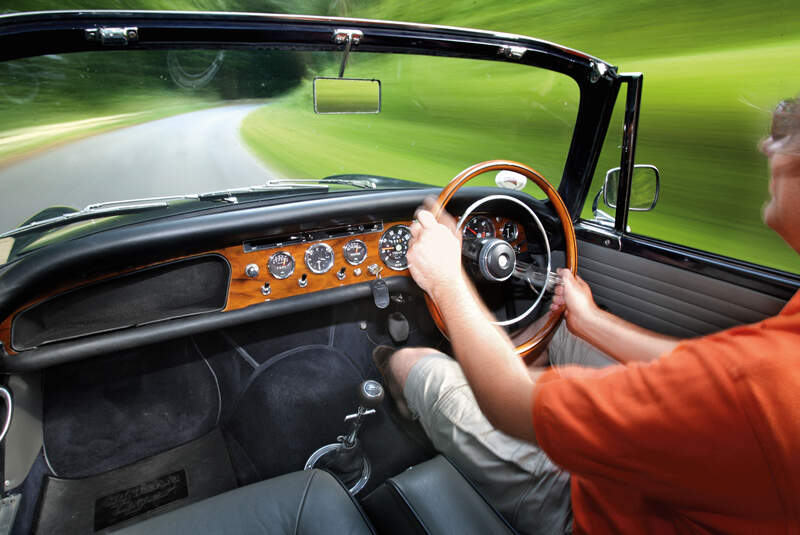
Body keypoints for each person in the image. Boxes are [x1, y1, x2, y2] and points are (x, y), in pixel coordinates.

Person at [373, 97, 800, 534]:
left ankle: (395, 384)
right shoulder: (773, 352)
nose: (768, 145)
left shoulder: (761, 387)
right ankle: (495, 380)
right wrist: (590, 319)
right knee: (560, 330)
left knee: (413, 363)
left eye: (788, 128)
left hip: (589, 505)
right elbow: (706, 363)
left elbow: (512, 405)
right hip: (671, 479)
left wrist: (444, 278)